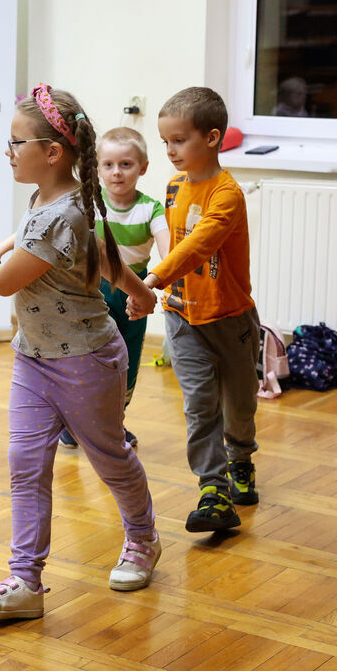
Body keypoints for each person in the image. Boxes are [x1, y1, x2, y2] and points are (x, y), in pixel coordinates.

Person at [0, 84, 161, 621]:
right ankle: (25, 581)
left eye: (15, 143)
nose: (7, 152)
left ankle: (144, 539)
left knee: (110, 459)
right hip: (33, 358)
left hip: (85, 361)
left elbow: (0, 283)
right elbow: (99, 252)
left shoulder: (64, 211)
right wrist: (141, 292)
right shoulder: (51, 200)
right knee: (26, 465)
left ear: (52, 152)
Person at [138, 87, 260, 533]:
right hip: (182, 316)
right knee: (199, 404)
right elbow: (174, 246)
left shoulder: (227, 195)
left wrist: (150, 280)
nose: (169, 151)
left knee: (239, 405)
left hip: (230, 318)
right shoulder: (173, 187)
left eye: (178, 140)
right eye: (165, 141)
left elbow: (197, 246)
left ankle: (241, 457)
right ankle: (213, 488)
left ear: (211, 138)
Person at [58, 127, 170, 451]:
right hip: (91, 290)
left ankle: (114, 424)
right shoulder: (87, 202)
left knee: (128, 361)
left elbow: (169, 252)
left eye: (126, 164)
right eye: (108, 165)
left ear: (143, 167)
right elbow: (47, 227)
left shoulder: (151, 210)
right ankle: (74, 421)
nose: (116, 172)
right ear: (98, 169)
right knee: (86, 358)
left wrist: (164, 282)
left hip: (135, 293)